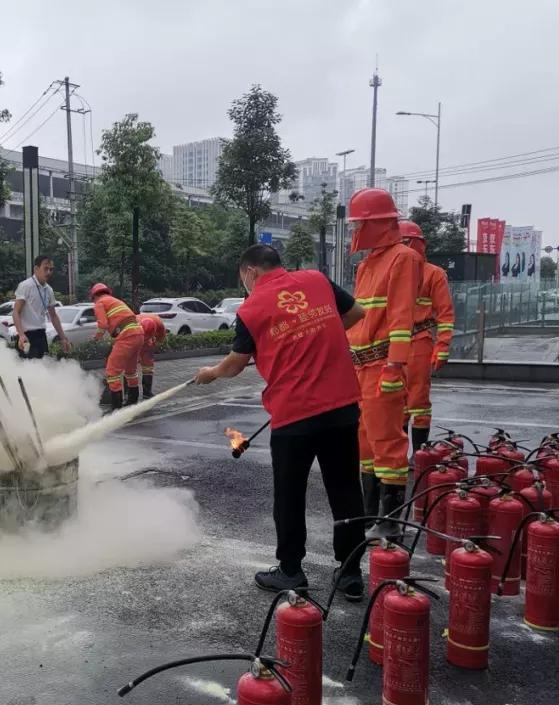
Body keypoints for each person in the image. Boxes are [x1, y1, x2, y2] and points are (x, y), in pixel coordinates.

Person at [194, 245, 368, 598]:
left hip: (295, 416)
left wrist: (211, 373)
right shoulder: (316, 281)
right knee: (346, 489)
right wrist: (319, 341)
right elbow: (356, 313)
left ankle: (291, 571)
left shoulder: (252, 307)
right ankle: (350, 574)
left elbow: (235, 363)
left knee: (290, 496)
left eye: (243, 277)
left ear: (251, 272)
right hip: (341, 406)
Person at [346, 189, 423, 542]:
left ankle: (390, 520)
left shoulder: (403, 258)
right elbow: (358, 317)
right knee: (363, 443)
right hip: (360, 366)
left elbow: (402, 316)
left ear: (375, 223)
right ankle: (367, 512)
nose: (354, 232)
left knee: (387, 441)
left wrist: (395, 365)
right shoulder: (367, 264)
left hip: (381, 366)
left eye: (358, 224)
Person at [399, 220, 455, 452]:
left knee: (418, 400)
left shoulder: (434, 274)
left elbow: (445, 314)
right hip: (391, 343)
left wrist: (442, 347)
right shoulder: (390, 272)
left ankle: (419, 453)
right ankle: (397, 452)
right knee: (395, 400)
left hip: (419, 341)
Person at [90, 282, 144, 410]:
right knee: (130, 371)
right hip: (138, 333)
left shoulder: (99, 303)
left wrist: (96, 338)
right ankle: (132, 402)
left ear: (94, 296)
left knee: (112, 372)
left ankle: (116, 407)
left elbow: (102, 324)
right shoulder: (114, 300)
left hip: (126, 336)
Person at [13, 255, 72, 359]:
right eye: (45, 268)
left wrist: (63, 338)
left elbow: (53, 316)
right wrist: (21, 335)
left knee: (43, 368)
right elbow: (16, 312)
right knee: (29, 370)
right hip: (27, 335)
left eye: (51, 269)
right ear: (36, 269)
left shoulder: (49, 290)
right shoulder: (26, 286)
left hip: (41, 335)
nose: (49, 272)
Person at [137, 313, 167, 399]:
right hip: (134, 339)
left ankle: (147, 392)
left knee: (148, 366)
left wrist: (153, 346)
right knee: (130, 367)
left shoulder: (159, 324)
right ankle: (128, 394)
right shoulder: (134, 323)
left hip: (148, 344)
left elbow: (160, 339)